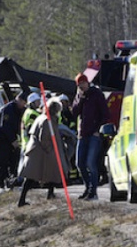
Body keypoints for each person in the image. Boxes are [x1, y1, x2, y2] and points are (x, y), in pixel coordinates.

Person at [18, 100, 68, 207]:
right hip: (41, 152)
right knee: (34, 176)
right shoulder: (47, 121)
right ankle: (22, 200)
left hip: (37, 151)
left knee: (46, 174)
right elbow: (44, 138)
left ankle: (49, 194)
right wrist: (50, 150)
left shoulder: (42, 117)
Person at [71, 73, 110, 201]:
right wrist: (80, 99)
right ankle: (88, 187)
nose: (81, 86)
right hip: (83, 134)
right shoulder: (79, 96)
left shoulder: (97, 94)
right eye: (79, 84)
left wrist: (98, 130)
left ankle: (93, 192)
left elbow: (105, 114)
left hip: (94, 134)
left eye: (82, 83)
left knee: (90, 163)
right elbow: (74, 112)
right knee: (79, 163)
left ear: (87, 82)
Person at [0, 91, 27, 190]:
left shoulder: (21, 110)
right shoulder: (7, 109)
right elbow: (5, 126)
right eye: (23, 103)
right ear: (18, 100)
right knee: (2, 162)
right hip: (2, 138)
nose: (23, 105)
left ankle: (11, 182)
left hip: (13, 139)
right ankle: (1, 184)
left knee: (14, 161)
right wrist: (13, 140)